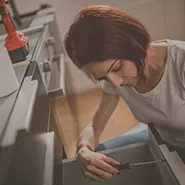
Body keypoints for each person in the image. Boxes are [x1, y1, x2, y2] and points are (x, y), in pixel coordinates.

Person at [64, 5, 185, 182]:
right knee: (98, 155)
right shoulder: (116, 77)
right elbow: (95, 127)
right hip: (160, 138)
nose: (115, 82)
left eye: (117, 68)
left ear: (132, 44)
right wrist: (83, 150)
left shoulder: (180, 63)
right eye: (103, 78)